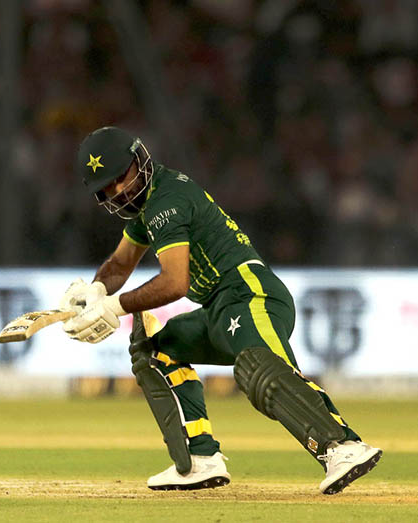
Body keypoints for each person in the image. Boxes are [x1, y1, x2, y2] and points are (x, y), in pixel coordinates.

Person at [62, 126, 381, 493]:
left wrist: (113, 307)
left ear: (140, 160)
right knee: (154, 349)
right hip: (218, 308)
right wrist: (95, 289)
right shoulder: (148, 209)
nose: (119, 191)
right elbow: (119, 266)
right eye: (108, 188)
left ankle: (343, 446)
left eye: (121, 177)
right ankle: (199, 459)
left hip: (251, 294)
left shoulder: (167, 200)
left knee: (260, 367)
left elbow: (174, 282)